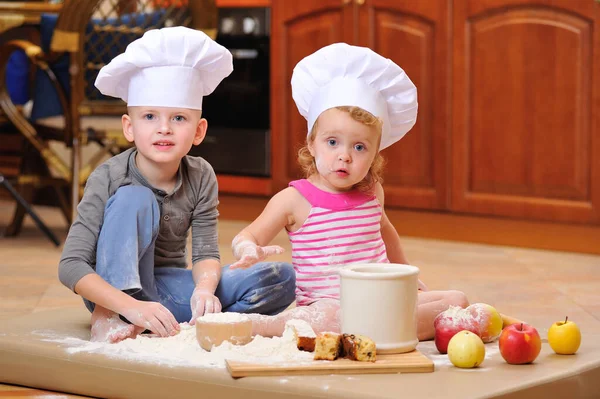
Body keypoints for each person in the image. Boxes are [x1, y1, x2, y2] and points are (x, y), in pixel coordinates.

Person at [58, 27, 295, 343]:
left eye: (179, 119)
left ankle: (184, 321)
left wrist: (204, 291)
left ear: (198, 131)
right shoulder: (109, 176)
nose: (164, 129)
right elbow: (71, 265)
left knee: (283, 278)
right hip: (112, 296)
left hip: (167, 287)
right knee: (134, 198)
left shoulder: (201, 174)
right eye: (150, 117)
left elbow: (205, 252)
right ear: (129, 127)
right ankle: (116, 318)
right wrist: (128, 305)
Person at [229, 43, 468, 341]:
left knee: (456, 301)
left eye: (359, 147)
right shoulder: (293, 200)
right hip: (326, 307)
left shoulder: (372, 191)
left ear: (375, 154)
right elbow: (246, 236)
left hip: (381, 297)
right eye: (332, 142)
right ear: (312, 142)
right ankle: (270, 327)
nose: (345, 156)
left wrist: (408, 278)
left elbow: (386, 231)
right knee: (322, 319)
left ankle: (370, 329)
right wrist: (249, 249)